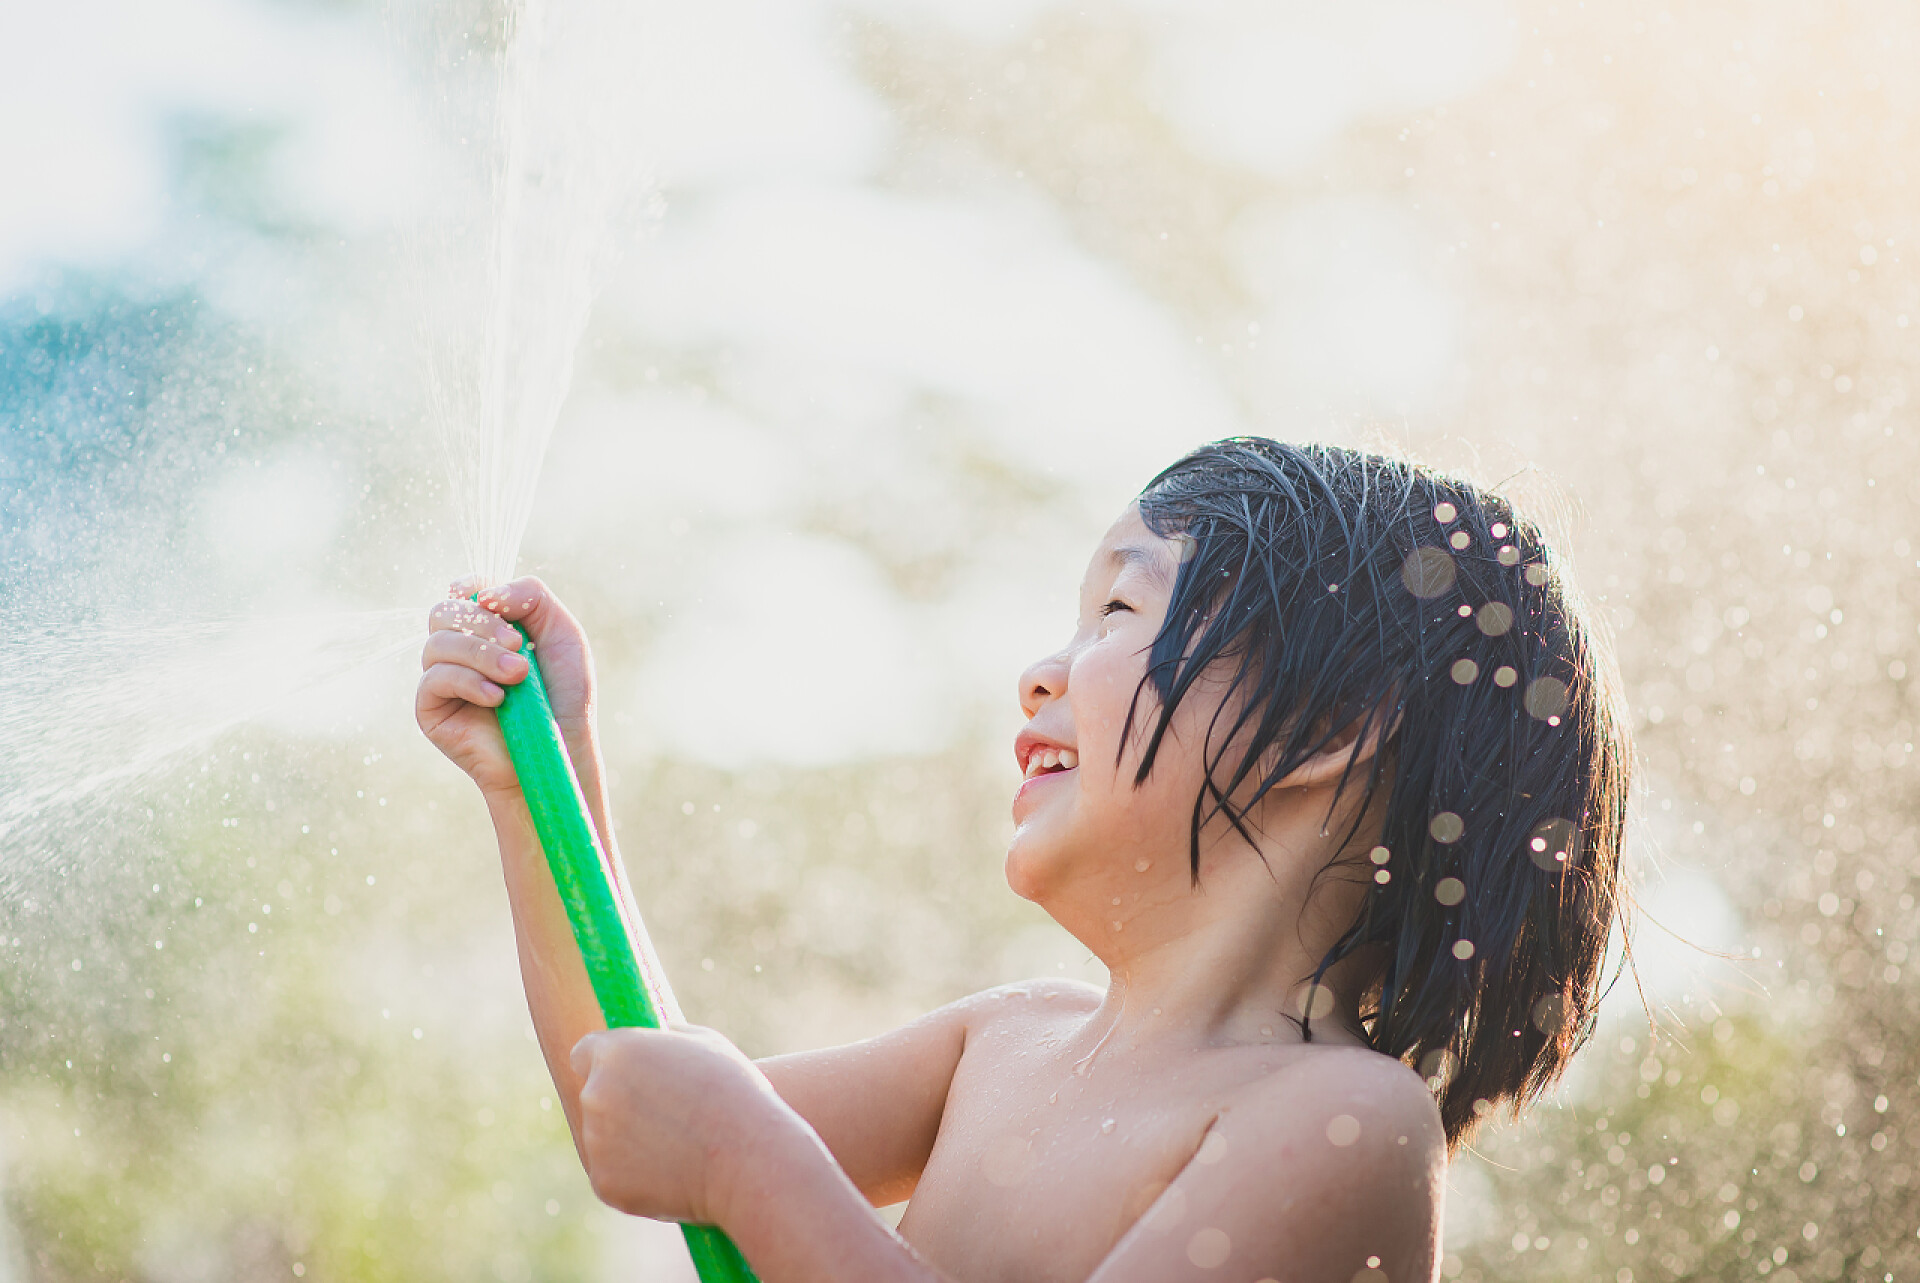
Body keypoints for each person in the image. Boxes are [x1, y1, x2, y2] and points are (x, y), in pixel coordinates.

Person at [416, 438, 1629, 1282]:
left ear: (1328, 728)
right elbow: (629, 1100)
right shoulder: (1001, 1042)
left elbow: (721, 1139)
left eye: (1121, 613)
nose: (1041, 669)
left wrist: (754, 1159)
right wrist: (544, 779)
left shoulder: (1343, 1122)